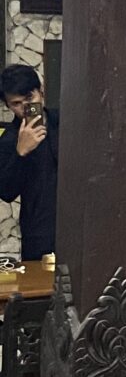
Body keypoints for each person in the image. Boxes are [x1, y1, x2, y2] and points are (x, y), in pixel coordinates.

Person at [0, 65, 60, 261]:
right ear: (8, 105)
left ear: (41, 91)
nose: (26, 108)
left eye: (29, 99)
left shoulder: (64, 122)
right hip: (40, 235)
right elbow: (6, 192)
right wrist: (21, 152)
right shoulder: (9, 139)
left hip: (81, 226)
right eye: (17, 103)